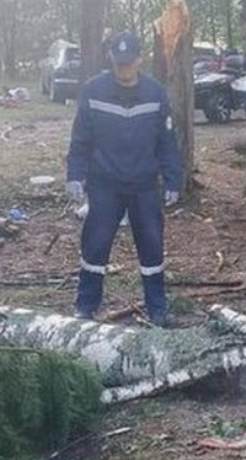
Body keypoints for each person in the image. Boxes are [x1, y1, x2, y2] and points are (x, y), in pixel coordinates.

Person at [65, 30, 182, 326]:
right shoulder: (93, 91)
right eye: (119, 63)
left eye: (129, 63)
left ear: (140, 60)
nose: (124, 69)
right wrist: (75, 176)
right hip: (105, 184)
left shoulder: (155, 94)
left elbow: (167, 141)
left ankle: (157, 308)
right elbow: (80, 140)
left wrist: (172, 179)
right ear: (111, 60)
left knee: (152, 247)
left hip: (144, 186)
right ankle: (85, 306)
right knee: (95, 245)